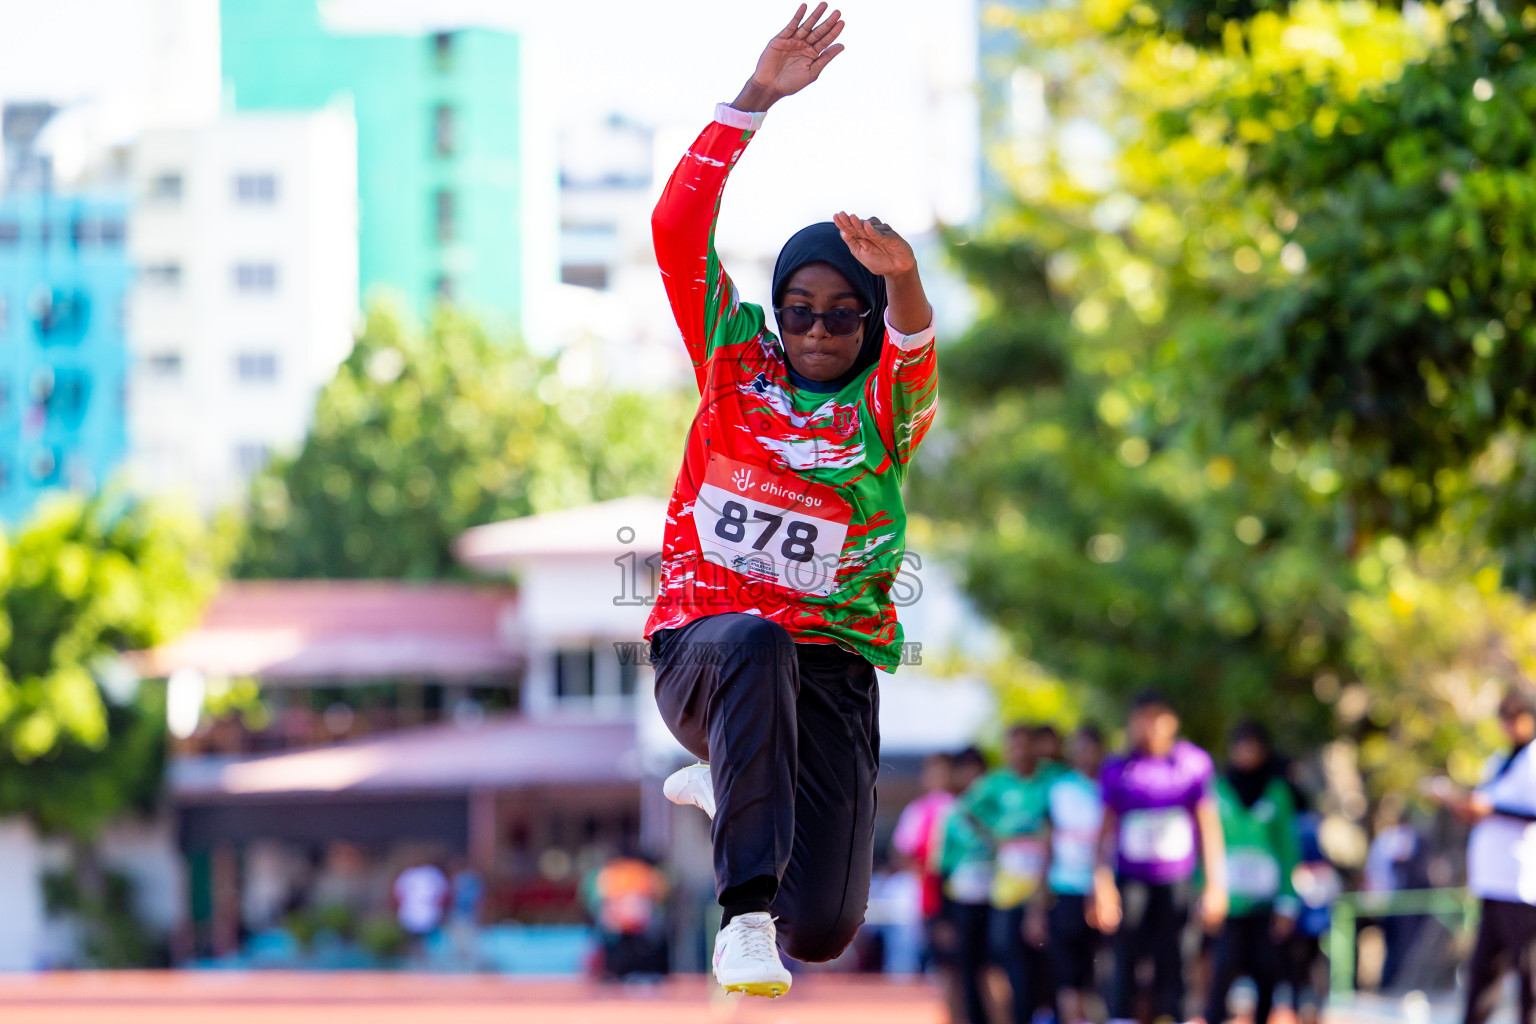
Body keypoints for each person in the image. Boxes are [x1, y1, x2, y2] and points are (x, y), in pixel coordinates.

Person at [644, 2, 940, 1000]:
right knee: (757, 640)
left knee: (820, 928)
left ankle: (738, 790)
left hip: (833, 676)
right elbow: (676, 228)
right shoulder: (733, 364)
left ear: (865, 320)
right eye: (799, 308)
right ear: (777, 311)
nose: (817, 327)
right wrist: (757, 96)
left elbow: (913, 349)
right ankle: (738, 918)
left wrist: (906, 288)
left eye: (842, 311)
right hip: (708, 650)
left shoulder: (883, 415)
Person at [1093, 692, 1229, 1024]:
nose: (1151, 726)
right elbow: (1104, 833)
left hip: (1178, 880)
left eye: (1159, 717)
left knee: (1180, 959)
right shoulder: (1118, 768)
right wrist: (1102, 886)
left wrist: (1215, 885)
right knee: (1124, 959)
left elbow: (1209, 828)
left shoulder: (1192, 764)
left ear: (1172, 721)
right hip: (1132, 879)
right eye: (1143, 717)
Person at [1431, 684, 1536, 1024]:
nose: (1509, 724)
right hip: (1492, 881)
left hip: (1522, 885)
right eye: (1504, 717)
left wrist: (1489, 807)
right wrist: (1461, 804)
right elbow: (1484, 806)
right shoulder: (1501, 759)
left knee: (1529, 977)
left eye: (1516, 716)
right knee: (1483, 975)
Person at [950, 725, 1053, 1024]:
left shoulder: (1047, 781)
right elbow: (967, 810)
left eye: (1025, 745)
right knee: (1006, 959)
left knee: (1042, 960)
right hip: (1007, 889)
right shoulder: (995, 784)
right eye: (1013, 746)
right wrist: (995, 834)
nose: (1019, 752)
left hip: (1046, 885)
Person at [1203, 722, 1300, 1024]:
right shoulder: (1217, 790)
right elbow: (1207, 842)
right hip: (1228, 901)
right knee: (1223, 969)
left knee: (1266, 970)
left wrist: (1288, 899)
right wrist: (1205, 889)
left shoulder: (1277, 792)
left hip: (1265, 901)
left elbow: (1287, 846)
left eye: (1253, 747)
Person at [1031, 724, 1106, 1024]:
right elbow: (1047, 844)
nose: (1084, 754)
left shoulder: (1111, 787)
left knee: (1100, 973)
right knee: (1067, 975)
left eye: (1090, 747)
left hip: (1104, 893)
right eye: (1079, 747)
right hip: (1065, 890)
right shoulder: (1059, 789)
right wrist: (1038, 903)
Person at [392, 860, 449, 962]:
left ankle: (427, 962)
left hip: (428, 913)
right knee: (413, 944)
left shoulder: (432, 874)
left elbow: (442, 896)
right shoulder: (409, 874)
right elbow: (398, 896)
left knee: (430, 944)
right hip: (412, 913)